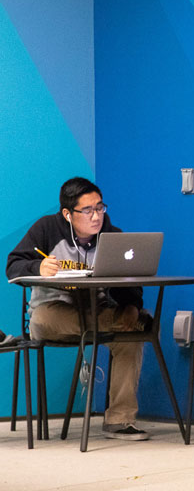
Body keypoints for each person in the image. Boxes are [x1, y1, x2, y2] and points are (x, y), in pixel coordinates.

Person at [6, 177, 149, 440]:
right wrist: (37, 268)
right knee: (131, 324)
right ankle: (125, 320)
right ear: (67, 214)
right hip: (51, 314)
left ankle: (120, 420)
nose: (96, 216)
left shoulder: (112, 236)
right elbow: (13, 265)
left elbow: (130, 279)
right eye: (87, 210)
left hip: (97, 310)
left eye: (100, 207)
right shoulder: (46, 229)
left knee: (131, 339)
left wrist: (131, 305)